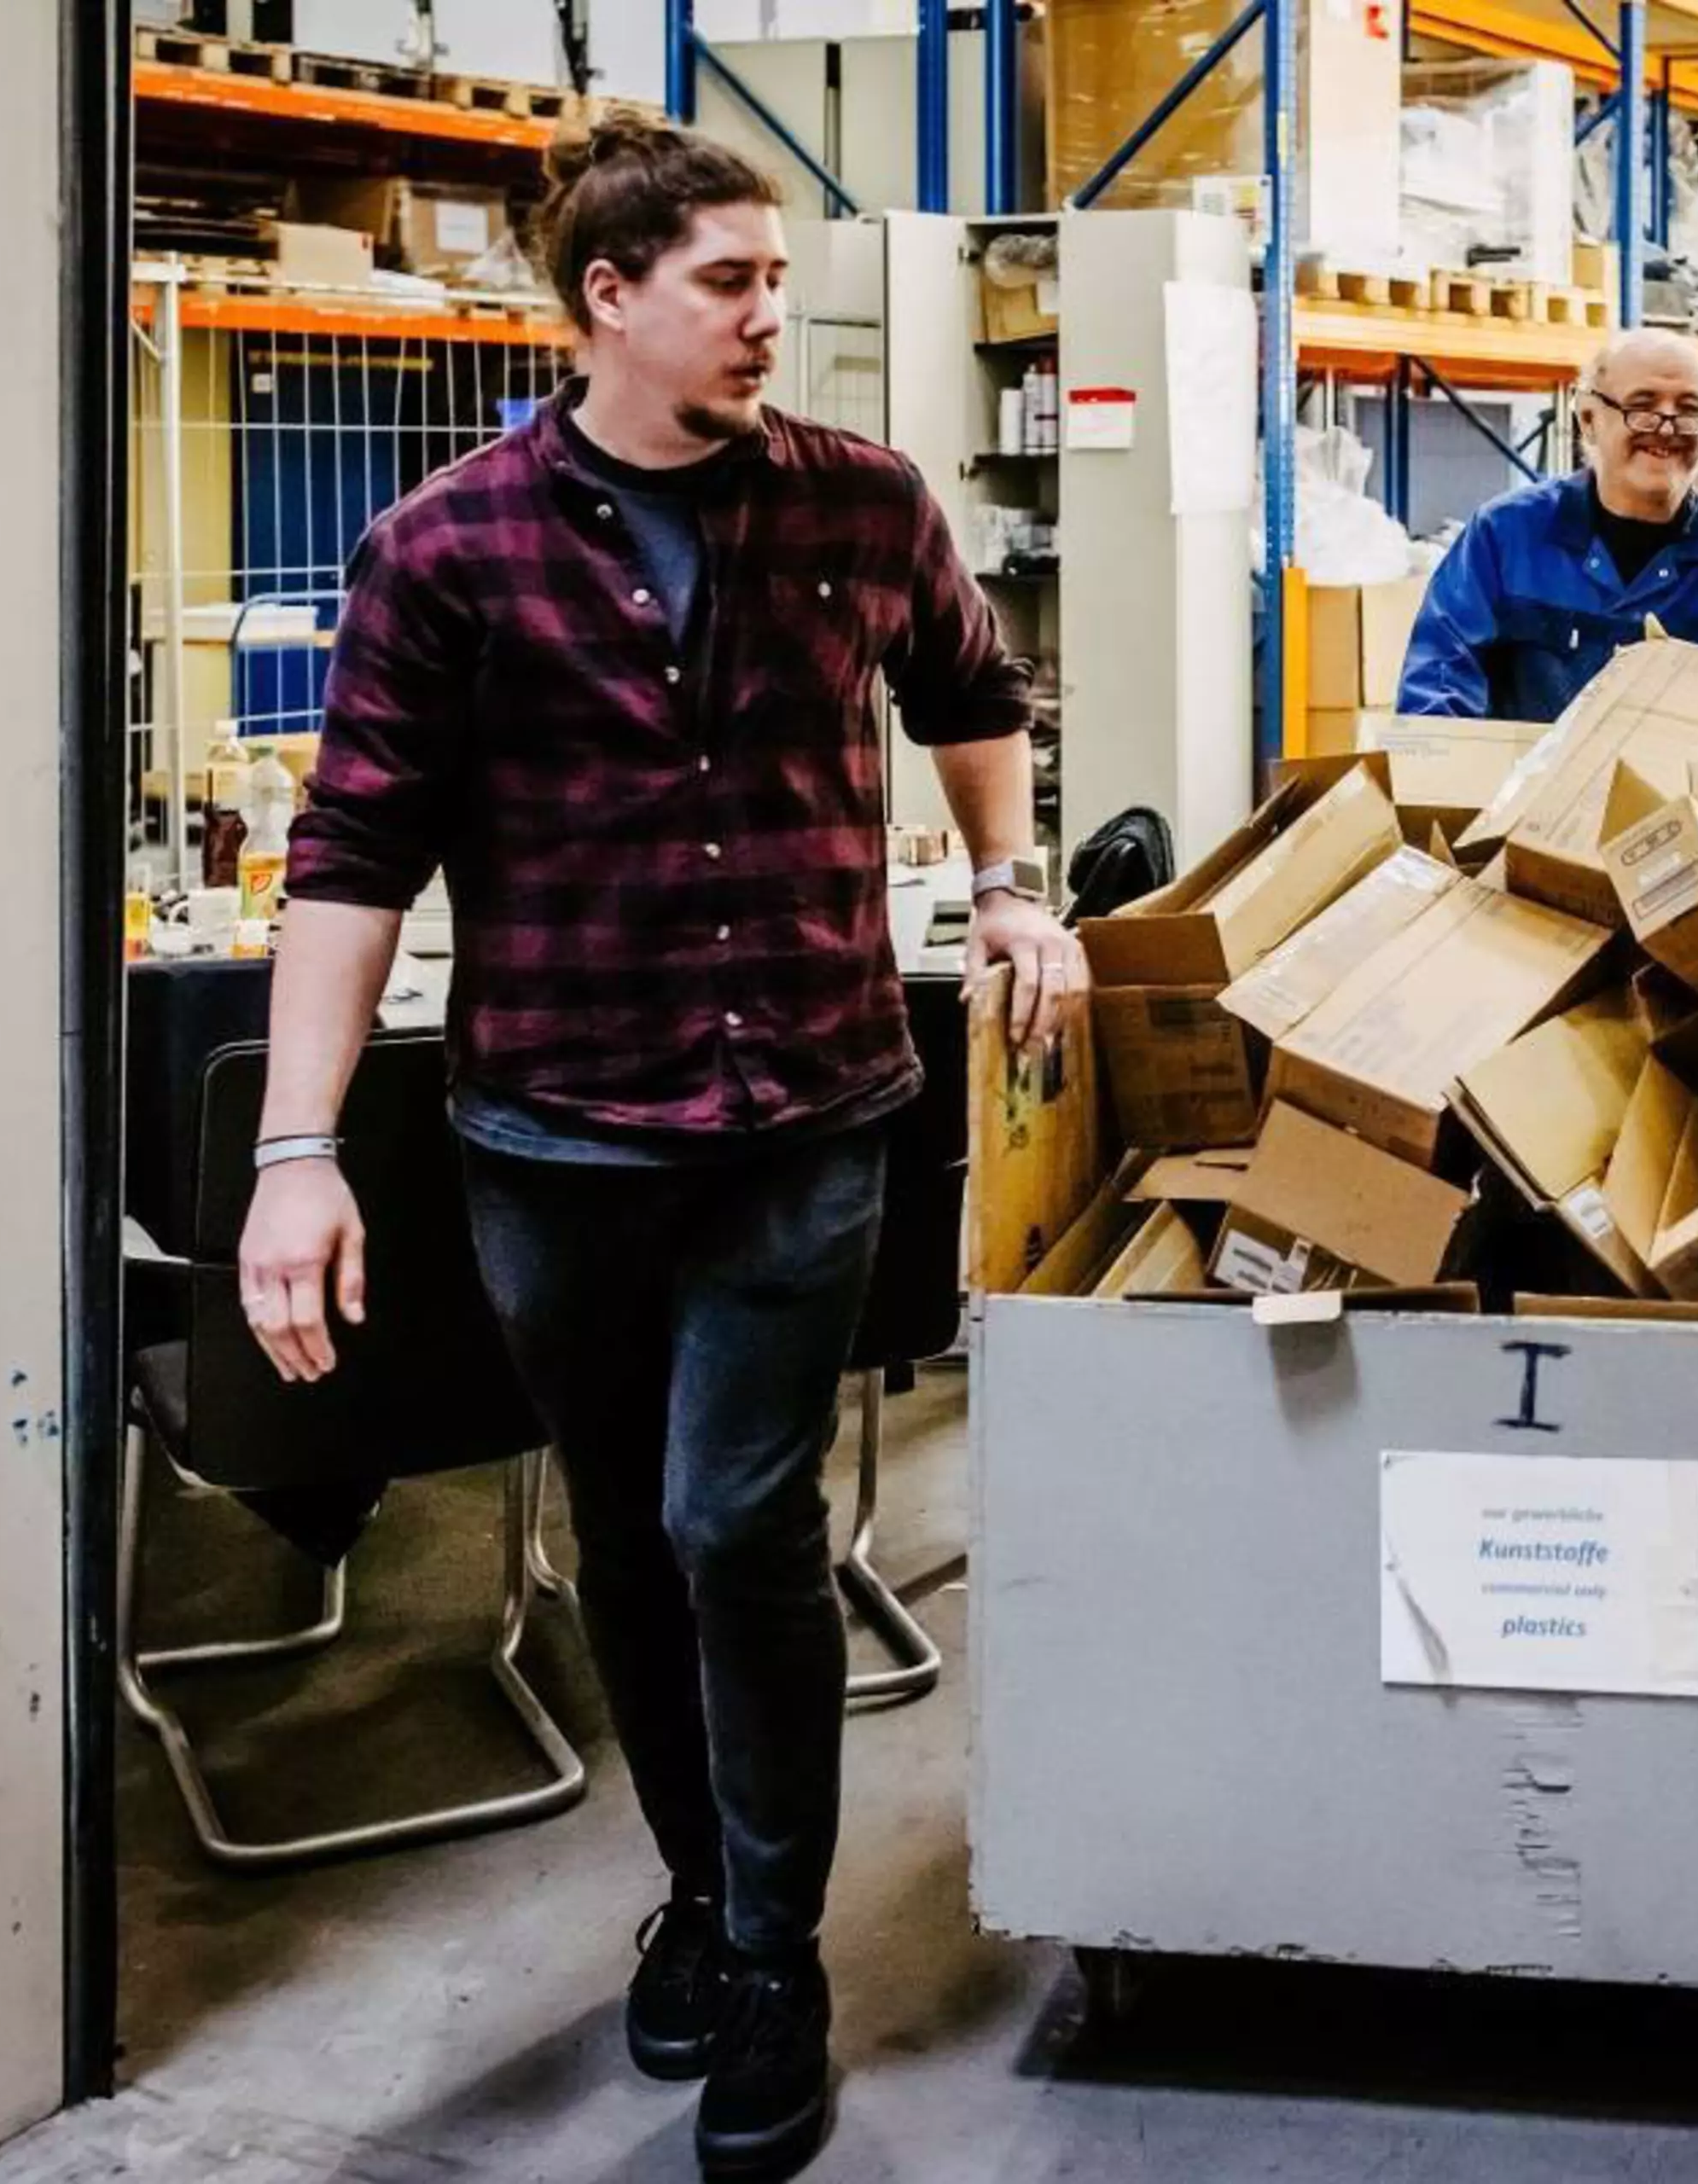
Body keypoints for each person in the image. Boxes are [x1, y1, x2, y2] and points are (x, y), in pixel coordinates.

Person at [238, 115, 1086, 2182]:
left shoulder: (864, 504)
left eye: (773, 280)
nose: (768, 317)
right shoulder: (447, 545)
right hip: (554, 1134)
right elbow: (350, 854)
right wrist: (294, 1146)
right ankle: (699, 1895)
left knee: (738, 1521)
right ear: (604, 297)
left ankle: (776, 1950)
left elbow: (975, 690)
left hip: (808, 1111)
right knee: (624, 1525)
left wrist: (1007, 876)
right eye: (726, 282)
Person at [1395, 328, 1698, 726]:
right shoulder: (1504, 538)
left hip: (1688, 818)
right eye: (1642, 407)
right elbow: (1436, 691)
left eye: (1688, 410)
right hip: (1525, 816)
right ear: (1589, 419)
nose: (1666, 428)